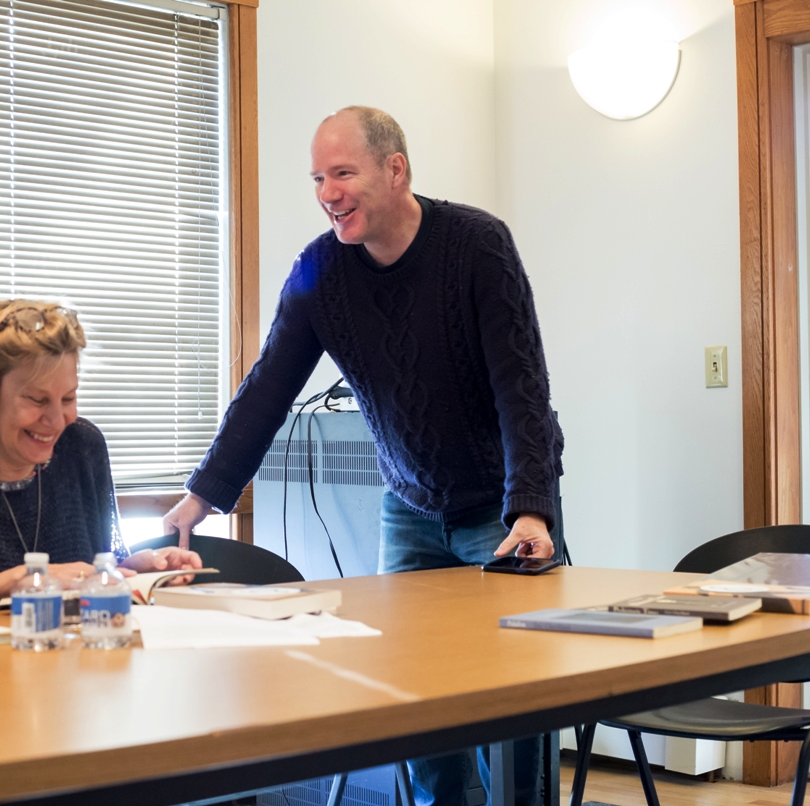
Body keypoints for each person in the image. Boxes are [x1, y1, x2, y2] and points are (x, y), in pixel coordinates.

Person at [164, 107, 565, 806]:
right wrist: (203, 495)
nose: (328, 192)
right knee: (414, 695)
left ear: (395, 169)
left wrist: (531, 510)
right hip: (409, 507)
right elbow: (267, 390)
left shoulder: (477, 246)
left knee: (519, 699)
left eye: (343, 173)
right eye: (318, 177)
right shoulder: (322, 272)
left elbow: (522, 388)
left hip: (501, 508)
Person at [0, 299, 201, 608]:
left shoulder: (82, 446)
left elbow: (99, 569)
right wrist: (19, 581)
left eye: (68, 398)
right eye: (37, 399)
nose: (55, 420)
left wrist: (140, 572)